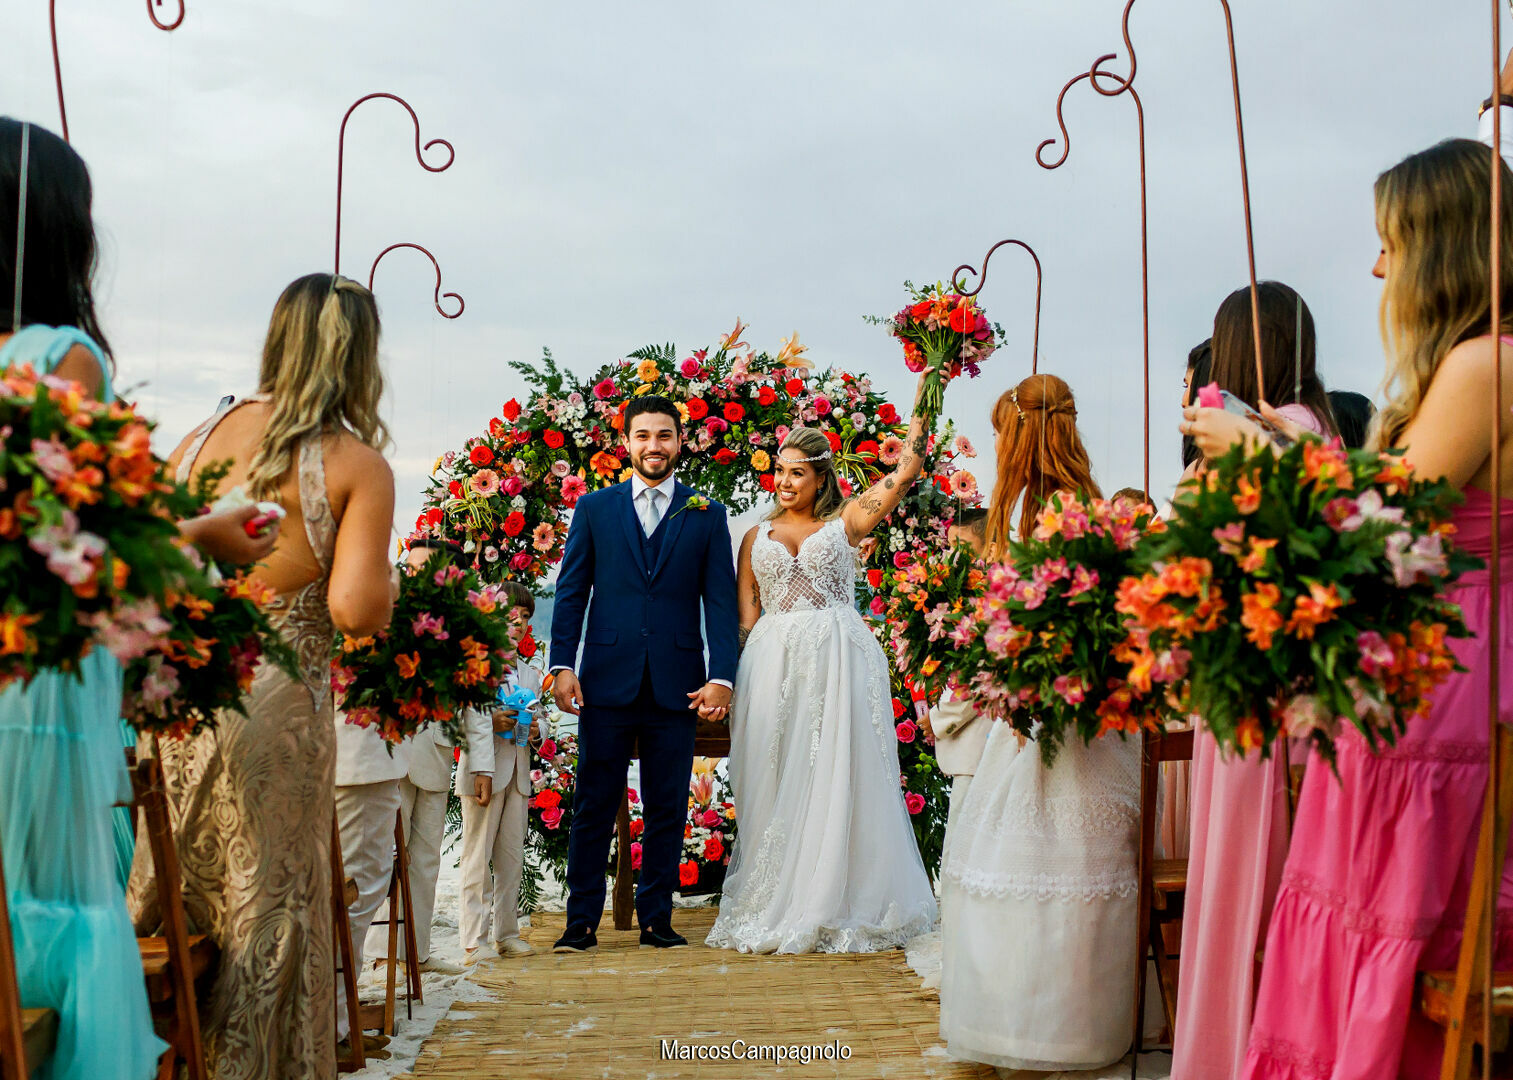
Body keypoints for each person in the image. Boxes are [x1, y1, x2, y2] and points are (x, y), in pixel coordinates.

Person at [1184, 137, 1513, 1079]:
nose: (1377, 266)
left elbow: (1383, 519)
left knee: (1385, 927)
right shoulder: (1476, 362)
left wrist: (1257, 450)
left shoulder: (1485, 363)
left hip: (1445, 677)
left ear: (1443, 245)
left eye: (1390, 242)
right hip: (1435, 659)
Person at [127, 272, 397, 1079]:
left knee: (171, 894)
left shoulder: (196, 441)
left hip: (177, 692)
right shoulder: (355, 461)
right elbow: (353, 611)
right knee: (267, 910)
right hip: (275, 704)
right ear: (359, 356)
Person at [937, 372, 1139, 1071]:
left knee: (1034, 867)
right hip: (1067, 717)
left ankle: (1038, 1031)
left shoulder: (1043, 517)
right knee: (1059, 870)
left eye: (1000, 432)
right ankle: (1067, 1025)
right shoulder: (1080, 507)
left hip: (1051, 720)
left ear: (1019, 435)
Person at [707, 364, 940, 955]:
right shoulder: (753, 536)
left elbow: (908, 468)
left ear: (821, 477)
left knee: (836, 769)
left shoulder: (846, 523)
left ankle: (835, 897)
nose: (784, 482)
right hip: (771, 664)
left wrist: (925, 389)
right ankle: (772, 894)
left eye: (797, 473)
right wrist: (734, 681)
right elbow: (746, 615)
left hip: (838, 661)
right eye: (779, 471)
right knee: (772, 771)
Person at [1169, 281, 1335, 1080]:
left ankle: (1232, 1053)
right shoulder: (1308, 428)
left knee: (1245, 884)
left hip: (1256, 693)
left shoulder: (1279, 435)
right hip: (1253, 687)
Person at [548, 394, 740, 952]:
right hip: (605, 678)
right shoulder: (595, 509)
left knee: (666, 805)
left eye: (664, 436)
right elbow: (570, 592)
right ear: (626, 443)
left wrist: (721, 676)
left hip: (678, 681)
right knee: (591, 805)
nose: (653, 446)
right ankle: (580, 920)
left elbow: (721, 605)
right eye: (643, 436)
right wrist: (562, 664)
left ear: (681, 442)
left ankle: (657, 918)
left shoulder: (708, 513)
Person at [365, 541, 491, 979]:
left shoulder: (465, 629)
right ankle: (381, 956)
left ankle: (414, 953)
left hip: (437, 756)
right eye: (410, 566)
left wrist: (481, 766)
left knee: (425, 859)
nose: (413, 573)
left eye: (424, 567)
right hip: (390, 753)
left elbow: (474, 706)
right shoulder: (386, 613)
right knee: (384, 855)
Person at [457, 580, 542, 962]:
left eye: (525, 616)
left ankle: (507, 932)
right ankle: (474, 939)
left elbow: (536, 724)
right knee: (477, 856)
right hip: (483, 771)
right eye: (511, 615)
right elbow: (459, 719)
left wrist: (537, 730)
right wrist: (490, 721)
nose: (519, 622)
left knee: (511, 857)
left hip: (519, 773)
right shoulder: (475, 665)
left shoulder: (528, 672)